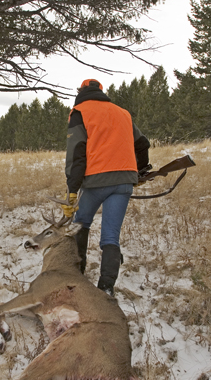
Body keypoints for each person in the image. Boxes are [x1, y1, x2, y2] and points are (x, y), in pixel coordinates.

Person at [62, 79, 150, 296]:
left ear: (80, 91)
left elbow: (77, 153)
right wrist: (139, 172)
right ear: (101, 92)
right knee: (111, 237)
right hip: (123, 182)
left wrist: (72, 190)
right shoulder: (122, 113)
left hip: (95, 181)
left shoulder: (79, 112)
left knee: (80, 225)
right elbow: (142, 144)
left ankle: (76, 276)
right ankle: (106, 288)